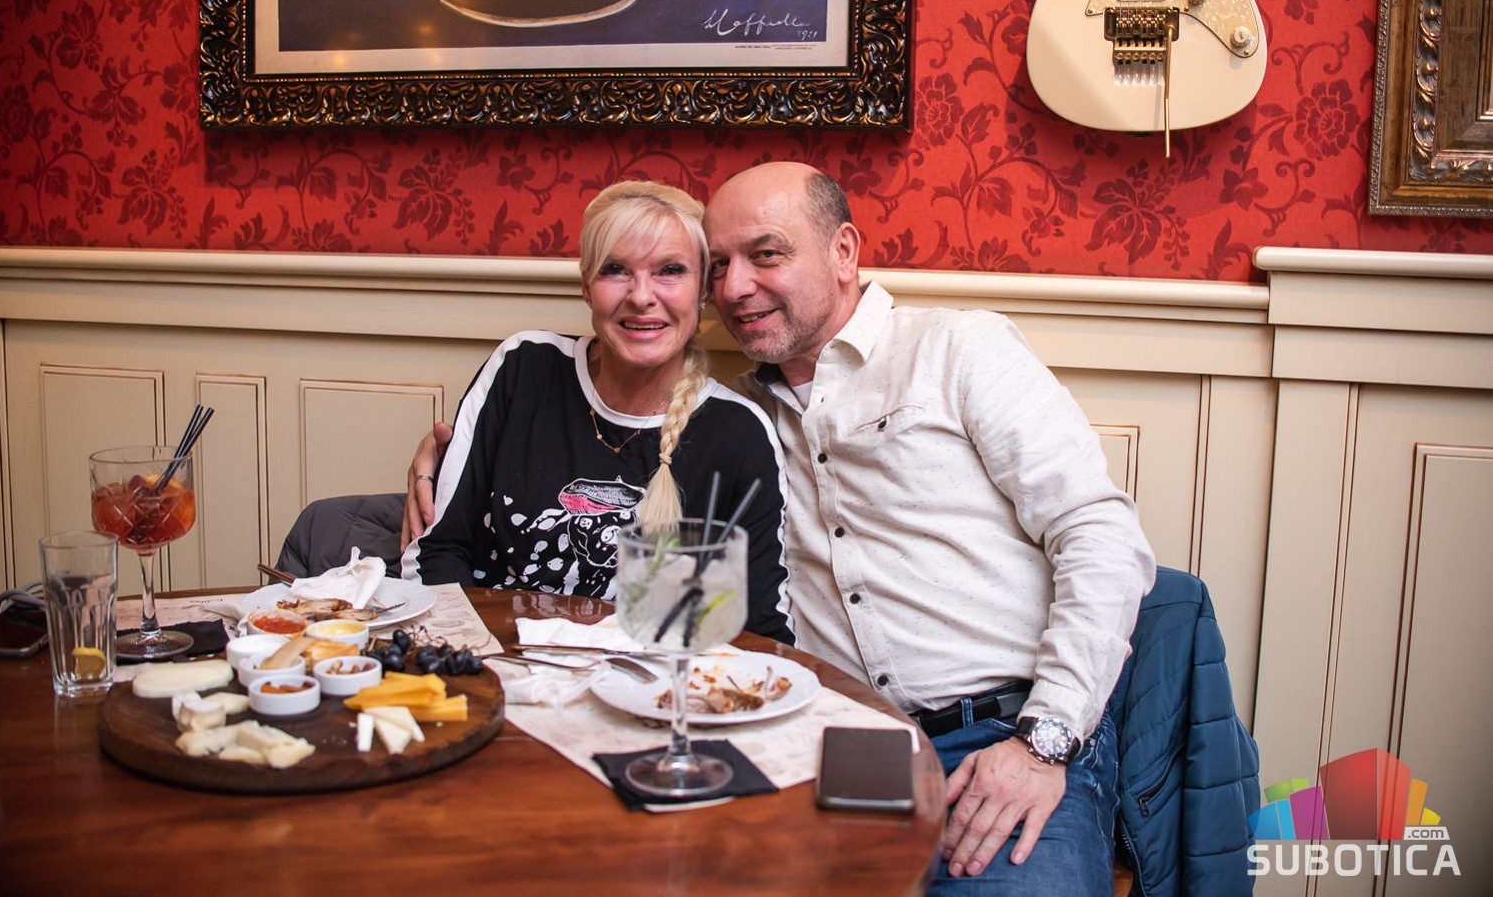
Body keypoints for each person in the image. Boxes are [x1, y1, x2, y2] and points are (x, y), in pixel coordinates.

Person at [405, 163, 1154, 894]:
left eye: (765, 255)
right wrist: (448, 467)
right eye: (721, 265)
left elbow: (1100, 534)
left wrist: (1042, 743)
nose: (735, 287)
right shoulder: (736, 418)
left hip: (1000, 735)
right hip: (829, 735)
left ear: (843, 252)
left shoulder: (956, 351)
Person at [400, 180, 792, 645]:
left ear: (703, 289)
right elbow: (439, 551)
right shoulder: (522, 368)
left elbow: (758, 630)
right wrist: (476, 661)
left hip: (643, 681)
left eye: (670, 270)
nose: (641, 296)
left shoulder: (739, 433)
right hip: (488, 659)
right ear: (586, 286)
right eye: (615, 270)